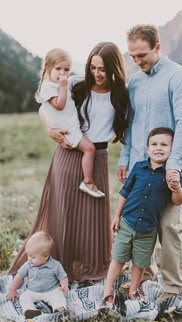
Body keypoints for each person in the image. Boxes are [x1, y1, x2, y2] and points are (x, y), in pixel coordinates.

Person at [8, 42, 130, 284]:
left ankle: (91, 268)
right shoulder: (75, 84)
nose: (97, 73)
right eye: (93, 67)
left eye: (102, 69)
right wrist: (49, 130)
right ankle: (57, 269)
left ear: (114, 68)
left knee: (93, 218)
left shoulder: (121, 94)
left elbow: (130, 130)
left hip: (97, 157)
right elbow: (44, 106)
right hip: (67, 154)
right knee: (62, 213)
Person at [118, 24, 182, 303]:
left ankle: (173, 287)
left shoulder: (179, 77)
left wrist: (175, 165)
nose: (137, 61)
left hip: (167, 167)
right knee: (138, 223)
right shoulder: (135, 82)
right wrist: (125, 159)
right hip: (140, 167)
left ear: (157, 47)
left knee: (168, 225)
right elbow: (130, 124)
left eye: (142, 55)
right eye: (133, 56)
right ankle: (145, 276)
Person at [102, 127, 182, 308]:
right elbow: (125, 192)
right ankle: (107, 290)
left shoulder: (171, 173)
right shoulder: (139, 167)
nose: (159, 148)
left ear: (172, 149)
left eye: (164, 144)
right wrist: (116, 216)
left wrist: (176, 187)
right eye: (154, 144)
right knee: (118, 258)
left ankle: (133, 290)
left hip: (148, 229)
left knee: (139, 263)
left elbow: (179, 200)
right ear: (147, 149)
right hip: (127, 222)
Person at [35, 48, 104, 198]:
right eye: (58, 69)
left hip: (71, 125)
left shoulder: (55, 84)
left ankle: (87, 181)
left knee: (88, 149)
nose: (63, 73)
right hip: (68, 130)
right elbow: (59, 105)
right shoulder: (48, 87)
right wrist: (64, 87)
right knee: (90, 149)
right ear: (48, 68)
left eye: (66, 69)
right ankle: (88, 181)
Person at [6, 231, 68, 320]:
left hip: (51, 291)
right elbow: (18, 277)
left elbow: (63, 277)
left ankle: (59, 309)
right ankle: (30, 311)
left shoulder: (55, 265)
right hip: (33, 291)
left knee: (59, 295)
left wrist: (64, 284)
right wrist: (12, 290)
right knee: (24, 297)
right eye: (28, 255)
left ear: (46, 256)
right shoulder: (28, 264)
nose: (29, 259)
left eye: (33, 257)